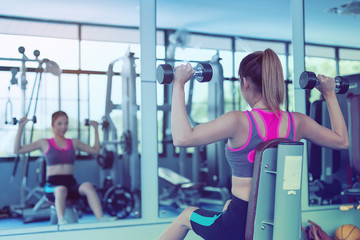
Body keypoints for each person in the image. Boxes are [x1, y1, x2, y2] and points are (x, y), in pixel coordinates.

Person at [158, 48, 349, 240]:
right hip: (282, 223)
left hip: (239, 226)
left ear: (245, 83)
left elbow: (182, 138)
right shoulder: (298, 122)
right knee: (226, 206)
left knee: (185, 215)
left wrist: (179, 84)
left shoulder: (238, 121)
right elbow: (342, 140)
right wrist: (330, 94)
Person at [14, 110, 107, 225]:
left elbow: (95, 150)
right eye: (60, 123)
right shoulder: (44, 142)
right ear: (53, 125)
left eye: (66, 123)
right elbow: (17, 150)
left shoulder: (74, 142)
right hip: (52, 186)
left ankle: (101, 218)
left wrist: (96, 129)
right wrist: (20, 128)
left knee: (88, 186)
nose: (63, 127)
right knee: (60, 189)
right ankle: (62, 221)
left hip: (70, 183)